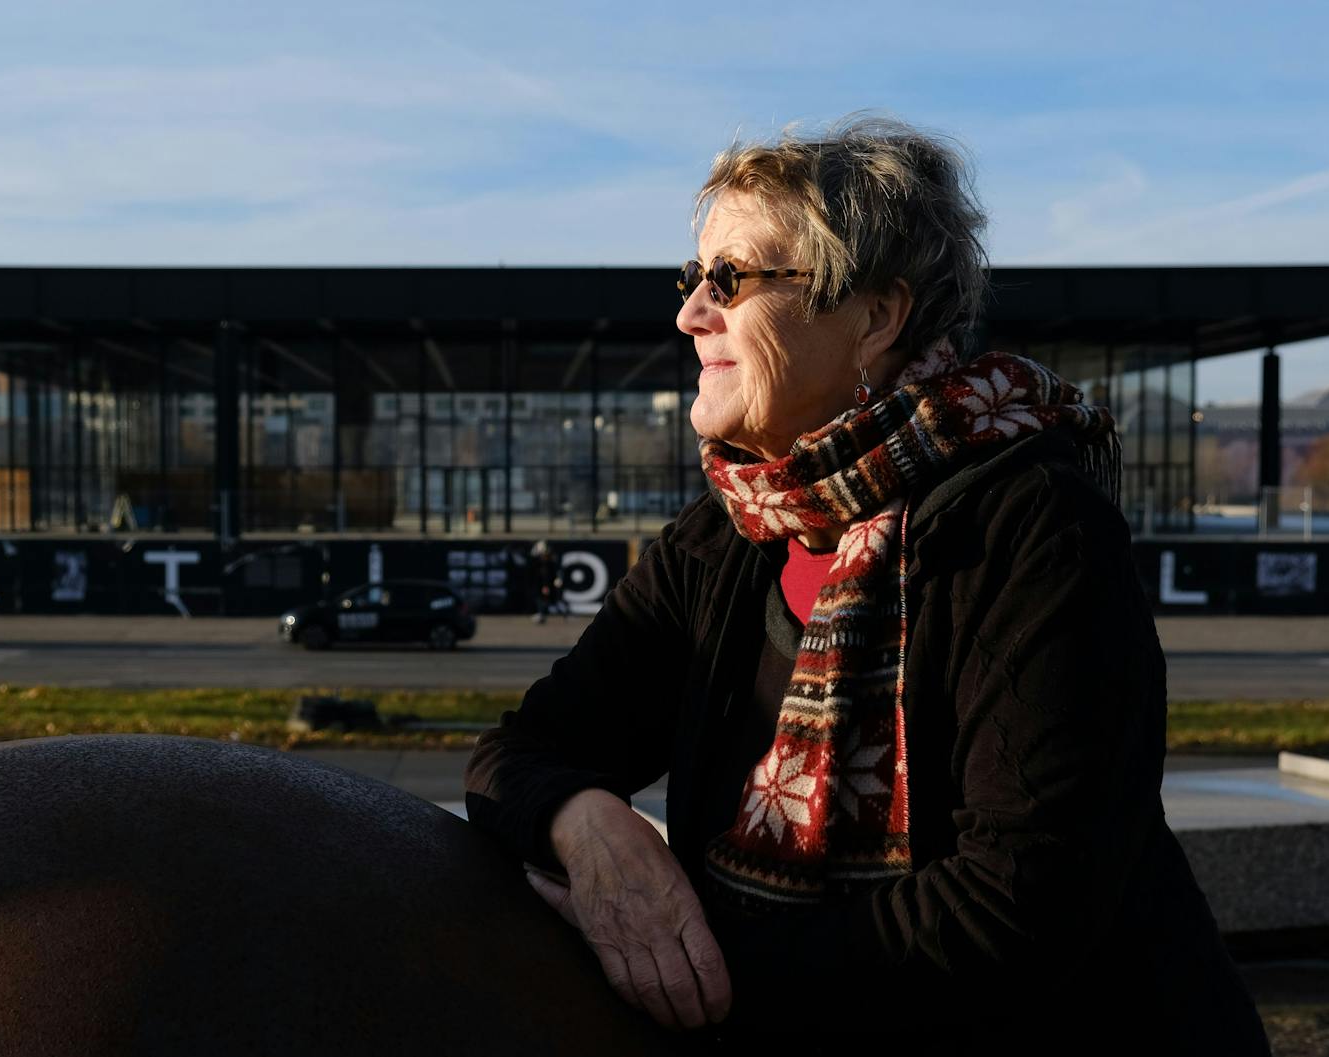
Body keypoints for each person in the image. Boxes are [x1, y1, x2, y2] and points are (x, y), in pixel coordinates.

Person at [463, 115, 1270, 1053]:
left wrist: (694, 950)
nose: (691, 315)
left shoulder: (1032, 527)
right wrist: (590, 824)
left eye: (733, 279)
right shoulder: (728, 534)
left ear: (876, 317)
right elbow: (519, 753)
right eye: (693, 278)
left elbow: (1011, 912)